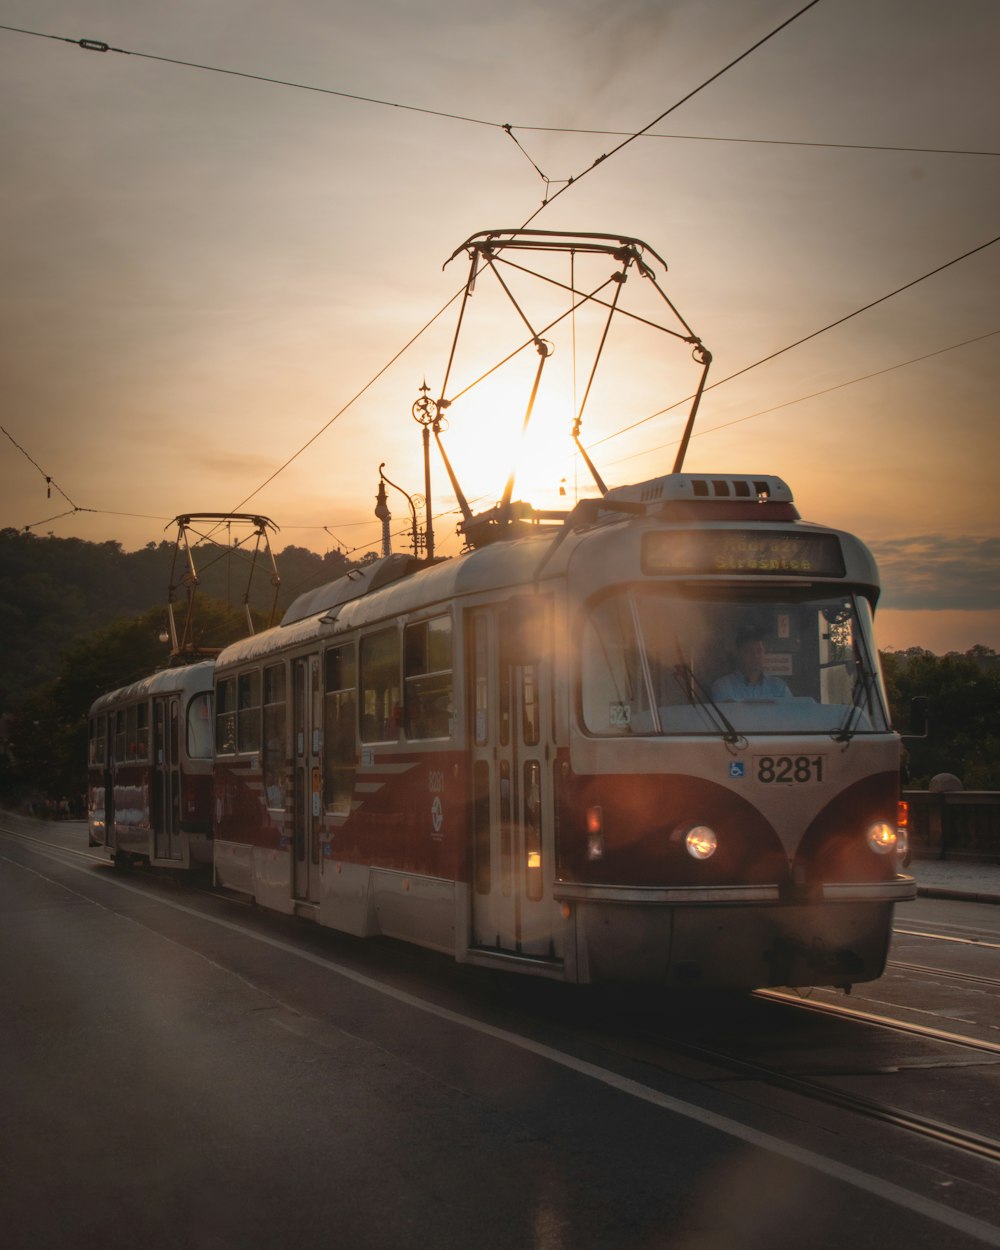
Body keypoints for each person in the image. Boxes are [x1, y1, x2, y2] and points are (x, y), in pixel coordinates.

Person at [712, 628, 791, 701]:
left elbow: (790, 714)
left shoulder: (779, 687)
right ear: (738, 654)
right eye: (748, 651)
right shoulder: (723, 686)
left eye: (759, 650)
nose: (755, 656)